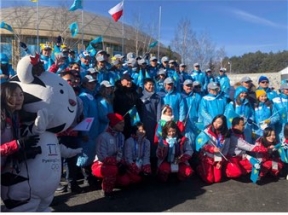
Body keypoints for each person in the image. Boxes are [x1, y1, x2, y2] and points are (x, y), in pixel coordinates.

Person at [91, 113, 130, 198]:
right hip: (100, 165)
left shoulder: (121, 136)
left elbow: (121, 152)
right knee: (112, 170)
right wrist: (117, 161)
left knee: (126, 181)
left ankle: (112, 181)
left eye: (123, 123)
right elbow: (102, 157)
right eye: (120, 123)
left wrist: (123, 162)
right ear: (113, 124)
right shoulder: (103, 137)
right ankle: (106, 190)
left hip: (116, 163)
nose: (123, 125)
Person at [196, 114, 230, 184]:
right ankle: (199, 168)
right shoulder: (206, 132)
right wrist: (211, 149)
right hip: (207, 157)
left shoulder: (226, 134)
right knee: (209, 180)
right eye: (215, 121)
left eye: (219, 123)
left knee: (218, 179)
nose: (216, 124)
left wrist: (220, 162)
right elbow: (202, 145)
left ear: (223, 124)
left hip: (218, 158)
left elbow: (226, 149)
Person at [139, 78, 162, 171]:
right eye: (149, 84)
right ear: (145, 85)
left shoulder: (157, 97)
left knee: (153, 143)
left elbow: (159, 112)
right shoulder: (140, 96)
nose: (151, 86)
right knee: (142, 142)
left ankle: (152, 163)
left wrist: (158, 124)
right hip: (142, 124)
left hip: (153, 125)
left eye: (153, 85)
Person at [113, 74, 142, 139]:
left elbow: (138, 104)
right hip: (121, 119)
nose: (130, 82)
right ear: (122, 81)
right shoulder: (116, 92)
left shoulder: (134, 91)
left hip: (132, 119)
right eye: (128, 80)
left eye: (130, 81)